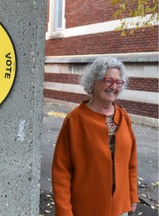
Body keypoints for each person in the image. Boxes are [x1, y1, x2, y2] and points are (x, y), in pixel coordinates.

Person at [52, 57, 138, 216]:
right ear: (94, 81)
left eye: (119, 82)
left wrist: (132, 196)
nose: (114, 87)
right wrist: (64, 211)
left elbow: (131, 161)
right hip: (86, 208)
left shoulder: (124, 117)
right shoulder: (75, 119)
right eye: (108, 81)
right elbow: (61, 171)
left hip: (120, 208)